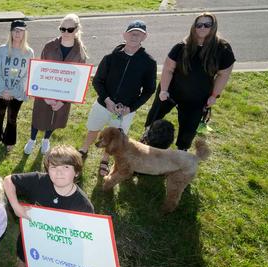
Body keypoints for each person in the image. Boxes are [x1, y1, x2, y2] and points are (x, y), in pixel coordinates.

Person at [145, 12, 235, 151]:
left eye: (207, 24)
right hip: (171, 91)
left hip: (197, 96)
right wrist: (163, 90)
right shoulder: (182, 46)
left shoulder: (223, 49)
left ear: (213, 27)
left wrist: (214, 95)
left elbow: (223, 74)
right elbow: (168, 69)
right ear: (194, 27)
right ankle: (147, 139)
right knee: (155, 115)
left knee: (189, 126)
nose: (202, 27)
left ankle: (182, 150)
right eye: (199, 25)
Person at [78, 20, 157, 177]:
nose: (134, 36)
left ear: (144, 36)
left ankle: (105, 160)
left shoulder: (149, 62)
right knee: (93, 128)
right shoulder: (110, 57)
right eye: (132, 32)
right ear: (124, 35)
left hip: (125, 111)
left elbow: (149, 90)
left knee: (114, 137)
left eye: (139, 33)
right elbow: (97, 81)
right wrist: (107, 100)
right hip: (103, 104)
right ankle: (83, 150)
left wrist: (130, 108)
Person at [3, 146, 94, 267]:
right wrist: (15, 206)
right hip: (30, 239)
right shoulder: (38, 181)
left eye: (66, 167)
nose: (59, 172)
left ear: (76, 172)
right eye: (53, 167)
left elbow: (84, 239)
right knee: (23, 259)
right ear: (48, 170)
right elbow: (9, 181)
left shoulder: (83, 206)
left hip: (57, 251)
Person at [24, 14, 88, 155]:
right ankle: (32, 139)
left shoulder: (80, 52)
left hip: (63, 96)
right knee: (38, 116)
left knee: (54, 117)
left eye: (70, 29)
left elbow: (78, 81)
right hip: (44, 92)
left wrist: (63, 102)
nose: (65, 32)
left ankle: (46, 139)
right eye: (62, 29)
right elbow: (39, 70)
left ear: (77, 30)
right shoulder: (49, 46)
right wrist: (45, 95)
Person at [0, 20, 34, 152]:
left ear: (25, 33)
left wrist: (13, 91)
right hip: (1, 91)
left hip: (17, 92)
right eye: (15, 30)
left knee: (12, 118)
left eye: (20, 31)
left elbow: (27, 74)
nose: (17, 33)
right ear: (11, 32)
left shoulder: (29, 52)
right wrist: (3, 90)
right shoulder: (2, 49)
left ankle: (9, 140)